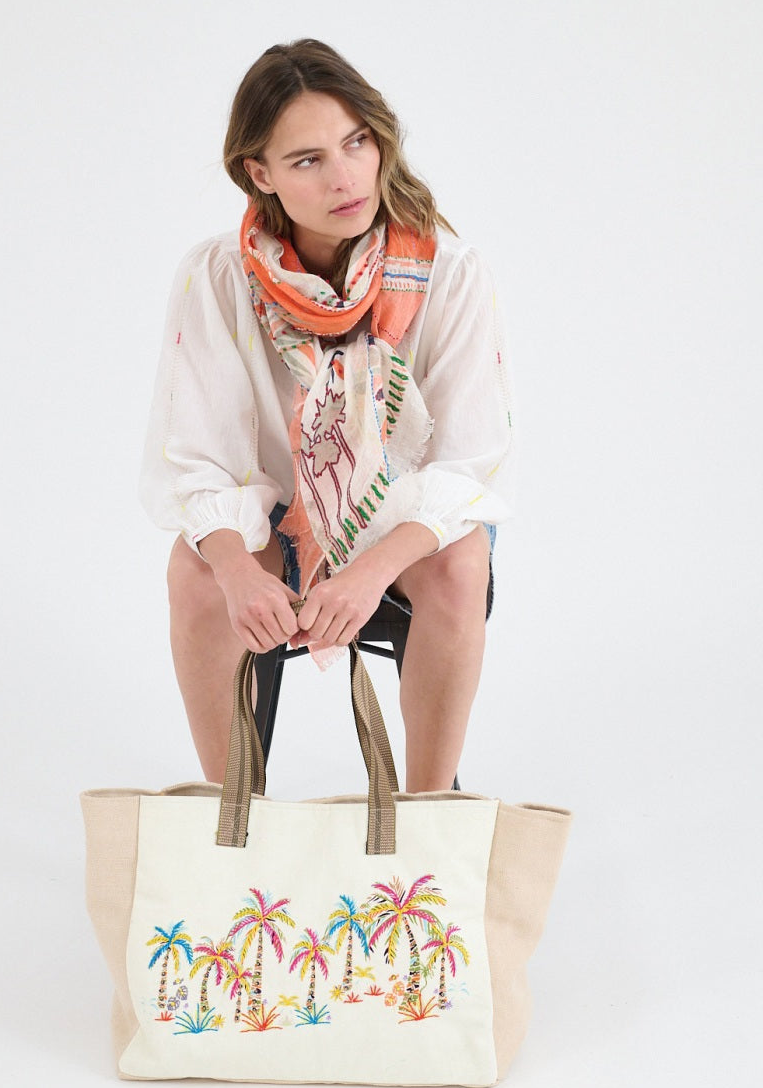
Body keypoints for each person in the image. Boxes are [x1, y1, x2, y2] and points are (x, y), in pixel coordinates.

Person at [140, 39, 514, 793]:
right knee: (195, 568)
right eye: (307, 160)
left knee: (459, 559)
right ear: (260, 173)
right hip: (277, 518)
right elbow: (194, 455)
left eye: (356, 143)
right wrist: (236, 574)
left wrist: (372, 569)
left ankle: (426, 813)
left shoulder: (448, 271)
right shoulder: (217, 276)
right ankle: (234, 818)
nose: (345, 177)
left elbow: (471, 465)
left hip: (400, 527)